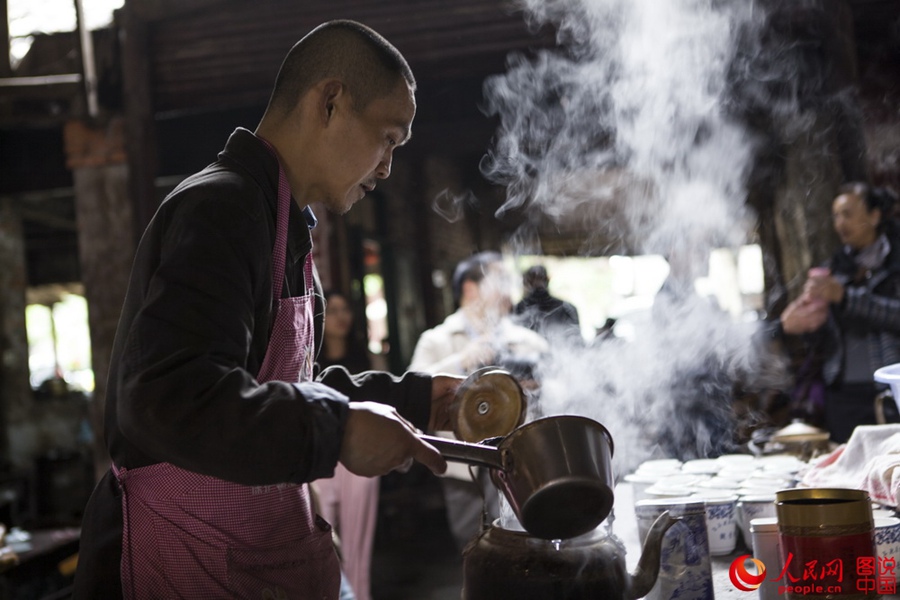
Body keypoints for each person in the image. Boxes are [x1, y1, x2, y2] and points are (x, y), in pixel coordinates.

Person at [73, 21, 463, 599]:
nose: (386, 167)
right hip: (181, 553)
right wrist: (334, 432)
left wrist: (416, 400)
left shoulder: (280, 219)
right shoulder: (223, 206)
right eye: (387, 138)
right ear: (329, 102)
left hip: (243, 550)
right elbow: (168, 396)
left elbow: (279, 387)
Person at [409, 251, 548, 550]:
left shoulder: (528, 341)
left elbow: (562, 391)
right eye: (500, 280)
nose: (509, 289)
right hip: (463, 466)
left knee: (528, 543)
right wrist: (461, 360)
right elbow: (410, 393)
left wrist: (536, 391)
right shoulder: (436, 340)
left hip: (521, 461)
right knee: (473, 548)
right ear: (470, 288)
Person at [774, 183, 900, 443]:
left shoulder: (895, 263)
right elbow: (826, 339)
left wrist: (844, 297)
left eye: (848, 213)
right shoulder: (834, 268)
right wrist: (809, 322)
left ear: (874, 216)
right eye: (836, 215)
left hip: (887, 391)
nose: (840, 222)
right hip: (841, 392)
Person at [313, 291, 380, 600]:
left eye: (345, 310)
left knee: (358, 544)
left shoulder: (368, 359)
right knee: (320, 542)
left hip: (360, 453)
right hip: (319, 455)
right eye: (333, 309)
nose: (340, 316)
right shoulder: (308, 361)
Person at [513, 264, 582, 343]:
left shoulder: (567, 309)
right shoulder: (518, 310)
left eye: (539, 279)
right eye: (533, 280)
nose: (537, 283)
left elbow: (576, 341)